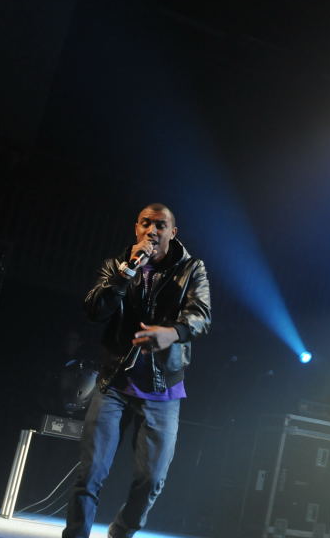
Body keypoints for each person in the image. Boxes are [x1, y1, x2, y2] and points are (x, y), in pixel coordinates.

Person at [63, 203, 211, 538]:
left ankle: (121, 532)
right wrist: (124, 274)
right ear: (136, 228)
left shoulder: (191, 268)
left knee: (151, 479)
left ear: (172, 233)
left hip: (162, 389)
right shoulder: (117, 265)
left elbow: (201, 315)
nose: (152, 231)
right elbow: (95, 310)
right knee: (90, 473)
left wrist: (171, 333)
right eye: (146, 224)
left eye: (160, 225)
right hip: (114, 383)